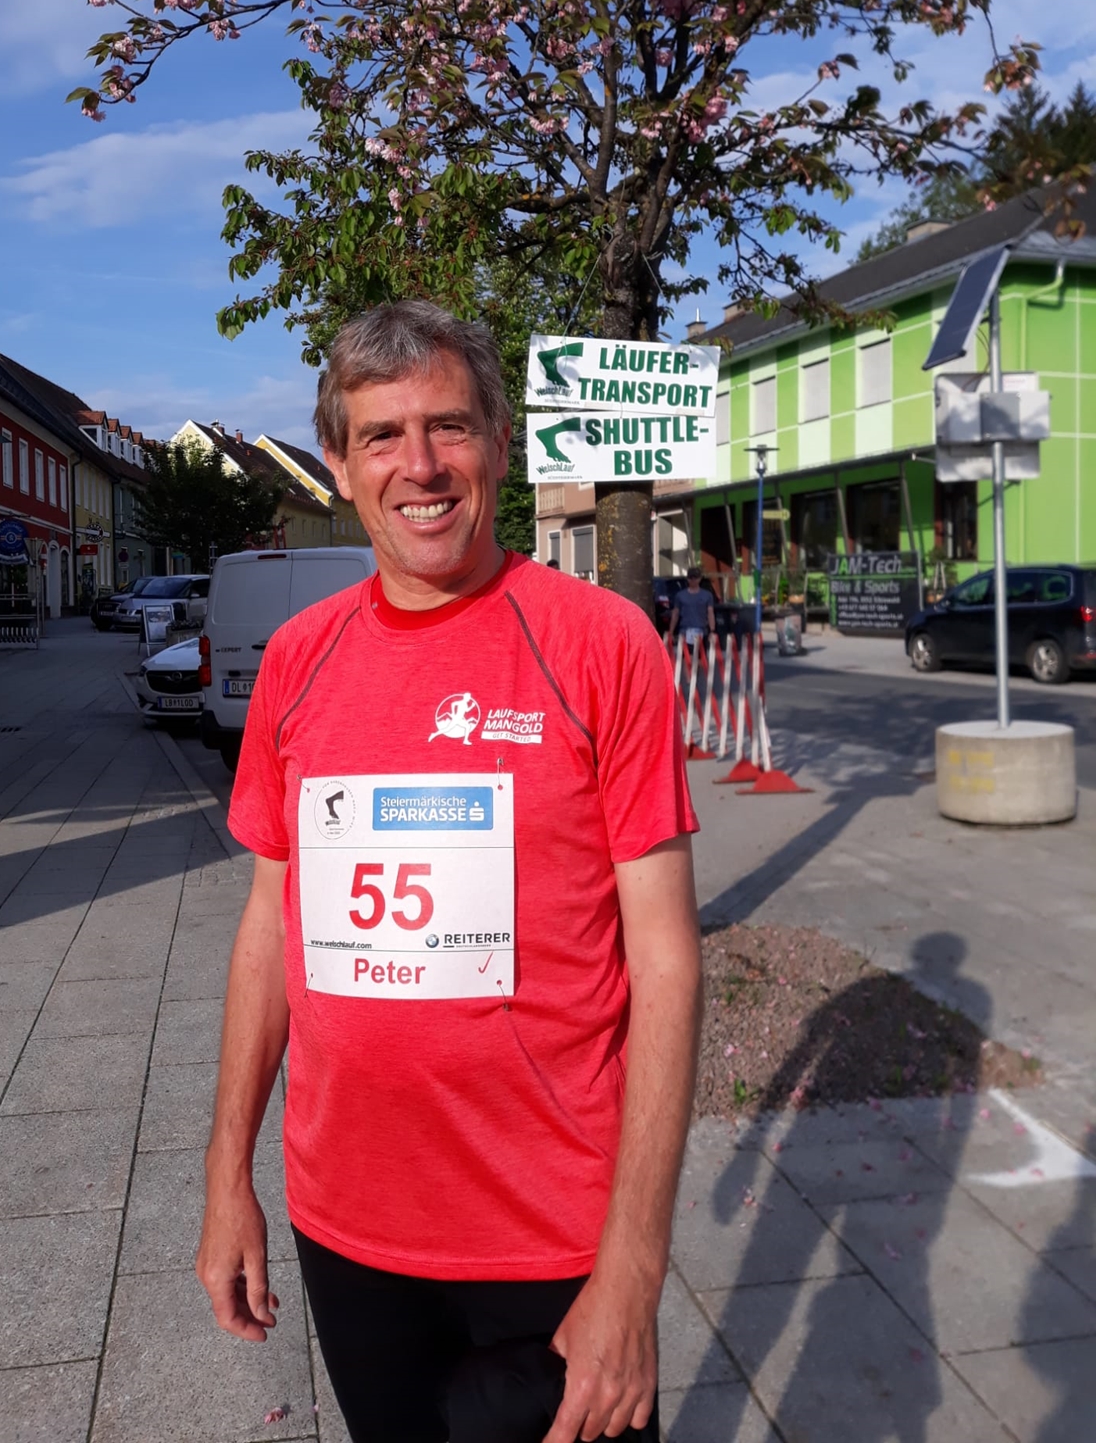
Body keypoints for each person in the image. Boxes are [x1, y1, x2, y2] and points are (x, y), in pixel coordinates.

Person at [196, 300, 704, 1443]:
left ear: (500, 445)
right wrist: (228, 1178)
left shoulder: (601, 642)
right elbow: (270, 928)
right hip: (349, 1226)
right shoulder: (298, 658)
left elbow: (667, 962)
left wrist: (633, 1265)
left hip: (551, 1229)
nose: (419, 465)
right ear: (338, 465)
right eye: (382, 434)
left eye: (449, 427)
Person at [668, 568, 715, 652]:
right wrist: (671, 631)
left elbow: (710, 613)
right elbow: (675, 613)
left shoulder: (707, 595)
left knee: (701, 657)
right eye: (691, 578)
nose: (693, 580)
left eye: (695, 578)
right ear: (687, 579)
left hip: (702, 631)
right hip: (685, 631)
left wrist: (712, 630)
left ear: (700, 579)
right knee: (686, 656)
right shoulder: (680, 595)